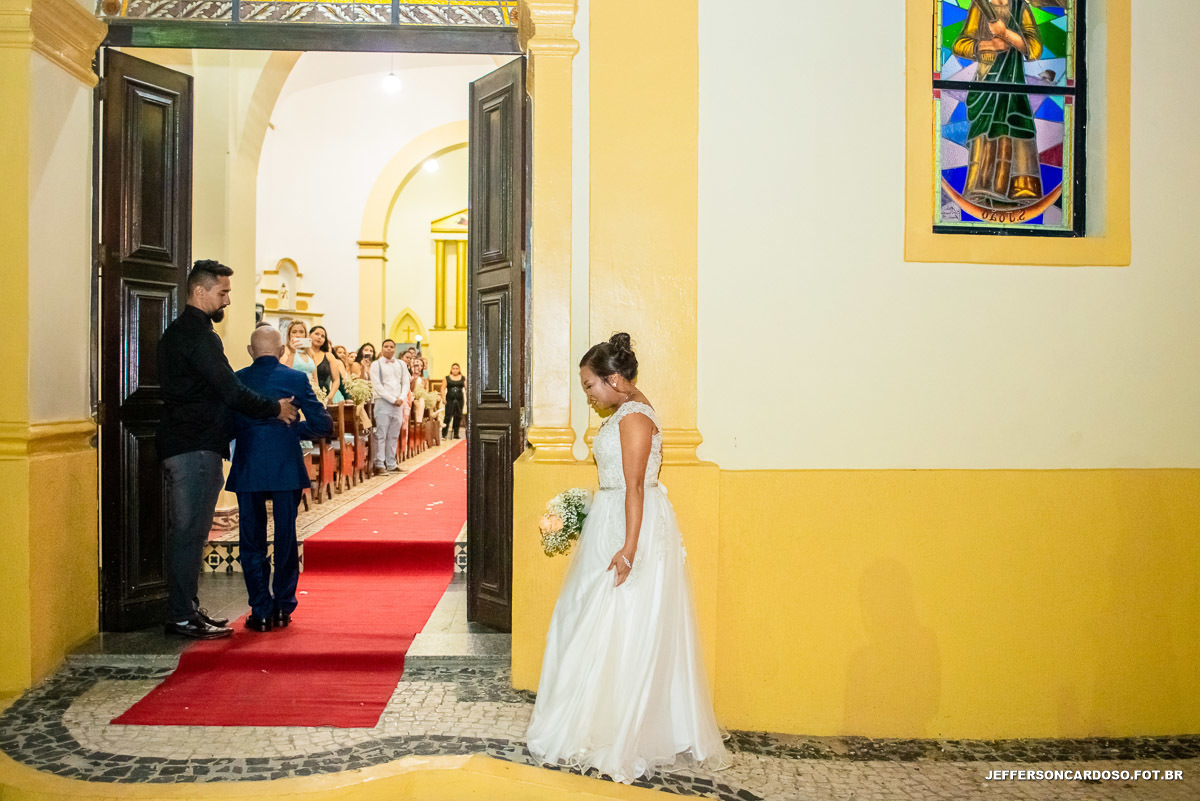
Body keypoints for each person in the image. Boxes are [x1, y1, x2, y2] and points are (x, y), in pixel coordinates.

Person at [526, 333, 728, 783]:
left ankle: (612, 727)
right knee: (587, 617)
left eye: (590, 385)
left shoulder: (634, 418)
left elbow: (635, 486)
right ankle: (595, 715)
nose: (588, 394)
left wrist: (629, 549)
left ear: (614, 379)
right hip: (613, 517)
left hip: (629, 525)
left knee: (621, 621)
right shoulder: (624, 409)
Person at [157, 259, 298, 640]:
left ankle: (186, 609)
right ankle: (182, 615)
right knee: (190, 533)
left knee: (191, 532)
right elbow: (229, 389)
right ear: (200, 292)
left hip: (189, 443)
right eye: (223, 293)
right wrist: (276, 408)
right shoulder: (198, 336)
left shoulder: (182, 333)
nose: (228, 301)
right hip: (194, 446)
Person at [226, 327, 332, 632]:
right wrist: (290, 430)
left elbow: (227, 424)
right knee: (285, 535)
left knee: (251, 538)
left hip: (249, 467)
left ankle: (260, 610)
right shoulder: (296, 379)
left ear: (250, 351)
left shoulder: (238, 378)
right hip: (286, 466)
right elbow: (323, 424)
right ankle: (284, 607)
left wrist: (253, 428)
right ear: (282, 350)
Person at [952, 0, 1045, 205]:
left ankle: (1016, 190)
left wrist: (1006, 34)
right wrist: (989, 45)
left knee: (1015, 129)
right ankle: (983, 190)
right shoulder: (979, 6)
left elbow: (1035, 49)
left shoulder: (1021, 7)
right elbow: (959, 44)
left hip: (1014, 85)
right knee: (987, 132)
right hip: (987, 83)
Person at [369, 339, 410, 473]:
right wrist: (392, 399)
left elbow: (405, 382)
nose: (389, 349)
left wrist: (402, 398)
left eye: (391, 347)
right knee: (381, 434)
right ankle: (379, 464)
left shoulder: (401, 364)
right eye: (386, 346)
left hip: (398, 402)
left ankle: (391, 463)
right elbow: (377, 385)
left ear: (395, 349)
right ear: (382, 348)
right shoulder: (376, 365)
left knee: (393, 434)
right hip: (383, 401)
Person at [309, 325, 344, 404]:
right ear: (309, 335)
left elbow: (336, 380)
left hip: (324, 397)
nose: (319, 337)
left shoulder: (329, 356)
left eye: (322, 336)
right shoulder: (302, 354)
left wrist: (330, 397)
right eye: (316, 334)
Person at [442, 363, 465, 439]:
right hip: (449, 399)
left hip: (459, 399)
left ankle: (456, 434)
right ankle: (444, 434)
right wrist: (443, 398)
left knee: (458, 416)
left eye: (457, 368)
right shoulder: (447, 378)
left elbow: (467, 388)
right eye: (453, 368)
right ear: (451, 369)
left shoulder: (463, 378)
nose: (455, 370)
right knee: (448, 416)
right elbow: (442, 388)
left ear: (459, 369)